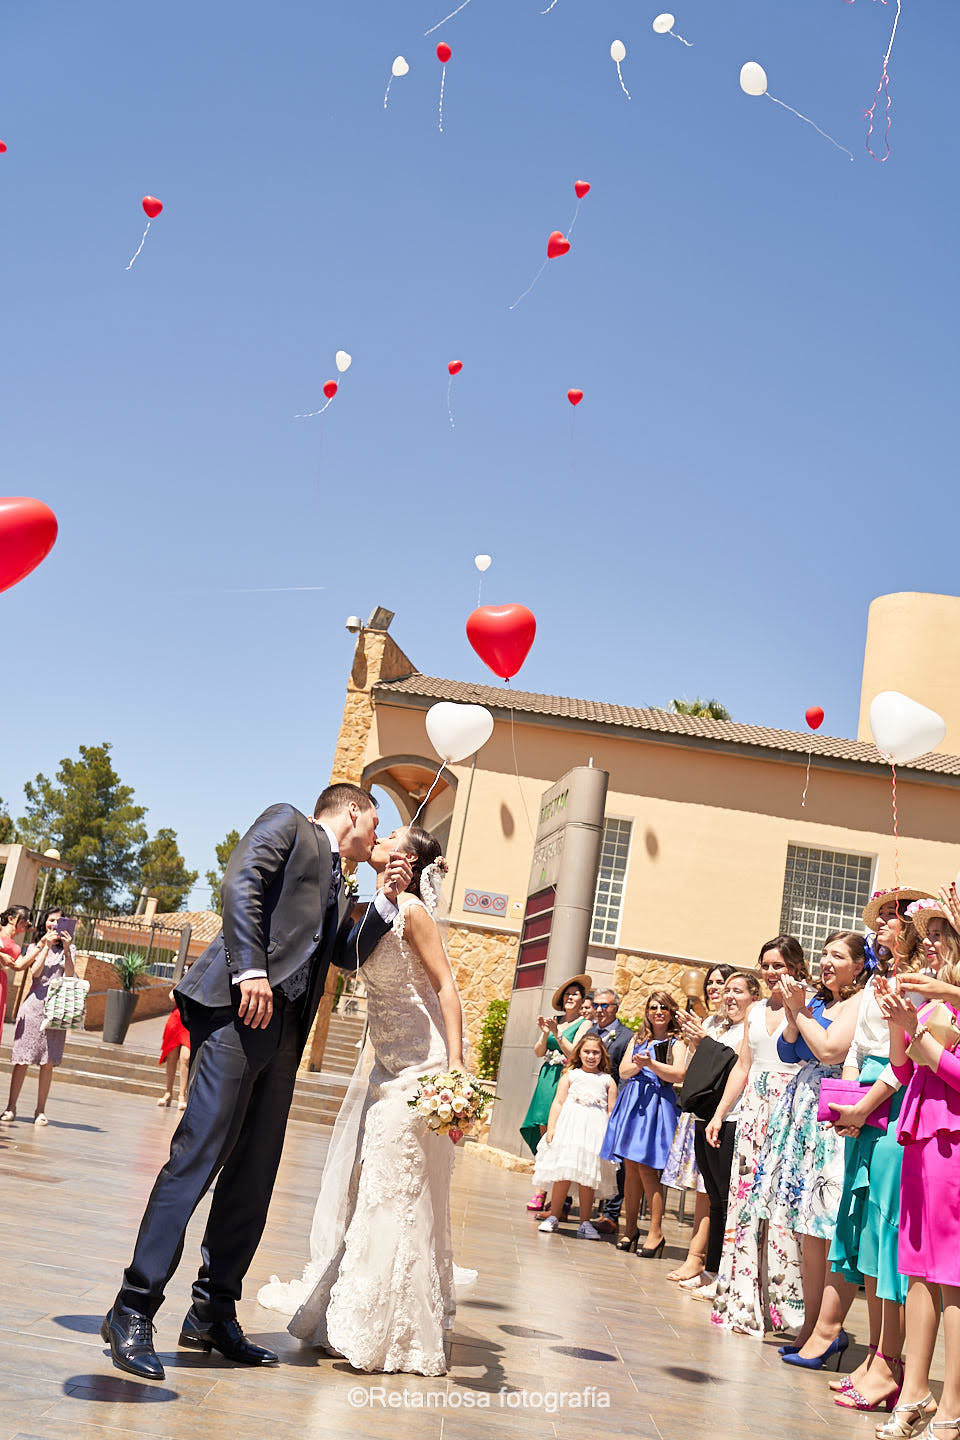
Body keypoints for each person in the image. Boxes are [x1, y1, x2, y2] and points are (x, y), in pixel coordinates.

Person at [101, 784, 413, 1382]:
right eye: (377, 819)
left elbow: (343, 955)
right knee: (198, 1158)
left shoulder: (340, 877)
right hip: (236, 1013)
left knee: (254, 1176)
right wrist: (250, 970)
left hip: (283, 1036)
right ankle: (132, 1309)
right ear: (352, 809)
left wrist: (385, 899)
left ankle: (212, 1312)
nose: (378, 833)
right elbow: (240, 883)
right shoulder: (288, 824)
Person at [258, 824, 464, 1376]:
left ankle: (391, 1332)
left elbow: (446, 986)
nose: (382, 836)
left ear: (408, 860)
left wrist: (459, 1067)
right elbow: (347, 959)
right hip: (384, 1065)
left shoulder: (415, 913)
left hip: (423, 1068)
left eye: (393, 834)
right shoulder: (371, 905)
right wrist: (385, 898)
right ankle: (352, 1311)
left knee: (391, 1191)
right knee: (362, 1188)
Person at [797, 889, 930, 1410]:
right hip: (864, 1107)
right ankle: (875, 1354)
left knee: (886, 1230)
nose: (880, 928)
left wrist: (864, 1107)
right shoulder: (880, 982)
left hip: (894, 1109)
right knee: (864, 1234)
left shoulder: (918, 987)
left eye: (893, 920)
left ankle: (891, 1362)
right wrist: (847, 1104)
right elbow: (856, 1049)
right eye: (878, 920)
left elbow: (905, 1061)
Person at [758, 932, 865, 1368]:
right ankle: (809, 1326)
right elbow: (788, 1047)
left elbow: (830, 1048)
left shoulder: (856, 1003)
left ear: (859, 965)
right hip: (801, 1109)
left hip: (832, 1111)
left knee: (825, 1220)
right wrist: (797, 1011)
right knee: (805, 1226)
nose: (825, 961)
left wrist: (798, 1010)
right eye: (823, 954)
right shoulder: (818, 1000)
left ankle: (828, 1329)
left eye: (837, 956)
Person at [873, 901, 960, 1440]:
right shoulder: (933, 998)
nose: (927, 942)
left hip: (953, 1140)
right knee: (921, 1268)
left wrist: (920, 1032)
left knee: (953, 1275)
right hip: (923, 1136)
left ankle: (953, 1404)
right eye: (924, 934)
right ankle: (916, 1391)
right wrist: (900, 1021)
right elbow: (904, 1068)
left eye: (940, 933)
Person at [706, 936, 806, 1339]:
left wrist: (797, 1006)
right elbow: (742, 1067)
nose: (770, 973)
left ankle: (787, 1306)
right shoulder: (755, 1010)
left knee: (782, 1208)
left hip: (791, 1109)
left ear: (795, 967)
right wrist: (720, 1114)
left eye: (778, 965)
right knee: (745, 1204)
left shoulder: (808, 1003)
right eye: (765, 965)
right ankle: (744, 1297)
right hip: (753, 1112)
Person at [683, 970, 762, 1300]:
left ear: (753, 997)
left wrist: (706, 1045)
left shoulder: (752, 1027)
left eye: (738, 991)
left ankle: (728, 1275)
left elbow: (735, 1066)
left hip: (736, 1118)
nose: (729, 996)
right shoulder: (718, 1026)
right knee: (716, 1198)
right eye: (726, 991)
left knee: (730, 1201)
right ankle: (712, 1270)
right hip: (710, 1116)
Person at [662, 964, 735, 1284]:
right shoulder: (708, 1021)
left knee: (713, 1192)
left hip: (724, 1113)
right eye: (711, 983)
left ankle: (702, 1260)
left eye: (722, 983)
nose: (714, 988)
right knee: (701, 1189)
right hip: (700, 1110)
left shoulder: (737, 1024)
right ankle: (697, 1257)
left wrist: (703, 1040)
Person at [600, 990, 684, 1256]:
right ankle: (630, 1229)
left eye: (664, 1008)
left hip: (657, 1104)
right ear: (647, 1011)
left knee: (648, 1170)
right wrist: (639, 1065)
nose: (658, 1012)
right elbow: (624, 1071)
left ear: (671, 1013)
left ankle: (656, 1233)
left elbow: (679, 1074)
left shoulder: (676, 1041)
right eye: (653, 1007)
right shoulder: (638, 1038)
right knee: (630, 1168)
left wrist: (652, 1064)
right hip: (633, 1102)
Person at [534, 1033, 618, 1240]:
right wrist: (552, 1128)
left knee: (587, 1177)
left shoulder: (607, 1080)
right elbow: (558, 1102)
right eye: (587, 1051)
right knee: (563, 1172)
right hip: (569, 1129)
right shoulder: (570, 1075)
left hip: (594, 1133)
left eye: (596, 1052)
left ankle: (584, 1222)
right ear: (579, 1053)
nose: (591, 1056)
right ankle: (554, 1216)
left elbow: (611, 1110)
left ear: (602, 1055)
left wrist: (611, 1137)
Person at [519, 972, 593, 1209]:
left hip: (565, 1081)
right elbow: (539, 1052)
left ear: (582, 1001)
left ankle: (560, 1194)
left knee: (560, 1133)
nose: (571, 998)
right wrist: (545, 1032)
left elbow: (574, 1053)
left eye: (576, 995)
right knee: (543, 1131)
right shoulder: (554, 1020)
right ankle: (543, 1187)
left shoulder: (585, 1024)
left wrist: (557, 1034)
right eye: (568, 994)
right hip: (546, 1079)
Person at [1, 907, 77, 1126]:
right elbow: (34, 973)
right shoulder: (36, 946)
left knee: (48, 1062)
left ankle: (40, 1110)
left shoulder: (68, 950)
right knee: (22, 1060)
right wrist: (45, 946)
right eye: (51, 920)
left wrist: (67, 949)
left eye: (58, 920)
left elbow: (70, 975)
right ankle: (10, 1107)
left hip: (56, 1011)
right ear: (45, 923)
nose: (54, 924)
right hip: (33, 1007)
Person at [588, 988, 635, 1235]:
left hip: (612, 1103)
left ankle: (611, 1214)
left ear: (616, 1007)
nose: (599, 1010)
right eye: (596, 1005)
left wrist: (618, 1107)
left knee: (616, 1160)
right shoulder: (590, 1032)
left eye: (605, 1005)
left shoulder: (627, 1036)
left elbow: (626, 1073)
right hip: (588, 1103)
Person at [156, 970, 193, 1109]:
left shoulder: (201, 984)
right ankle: (168, 1093)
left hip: (189, 1025)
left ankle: (182, 1095)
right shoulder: (183, 984)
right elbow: (172, 997)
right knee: (171, 1057)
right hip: (176, 1022)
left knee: (186, 1058)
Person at [0, 904, 32, 1034]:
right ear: (11, 919)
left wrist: (42, 946)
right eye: (24, 918)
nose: (28, 922)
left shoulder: (15, 947)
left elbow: (19, 965)